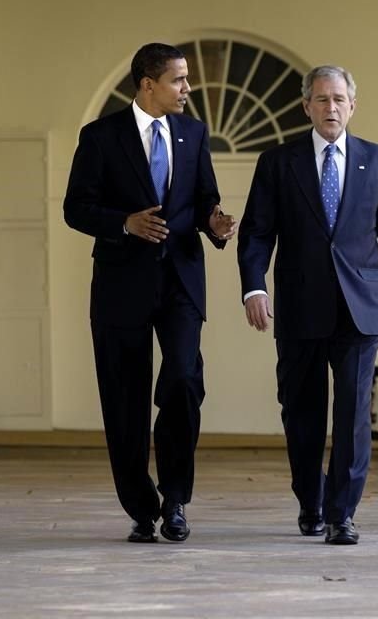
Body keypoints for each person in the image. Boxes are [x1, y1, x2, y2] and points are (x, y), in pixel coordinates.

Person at [237, 65, 378, 545]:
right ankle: (311, 501)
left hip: (359, 308)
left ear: (352, 105)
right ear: (306, 107)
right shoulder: (278, 163)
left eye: (339, 99)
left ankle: (343, 513)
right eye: (321, 100)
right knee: (301, 413)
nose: (331, 108)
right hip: (299, 308)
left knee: (352, 416)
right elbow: (258, 232)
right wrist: (254, 287)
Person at [64, 42, 236, 544]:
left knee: (183, 379)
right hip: (121, 285)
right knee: (125, 399)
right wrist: (123, 222)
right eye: (179, 80)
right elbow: (76, 208)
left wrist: (216, 223)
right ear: (147, 84)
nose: (187, 89)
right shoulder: (100, 137)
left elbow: (205, 197)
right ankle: (141, 507)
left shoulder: (194, 133)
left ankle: (176, 499)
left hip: (181, 279)